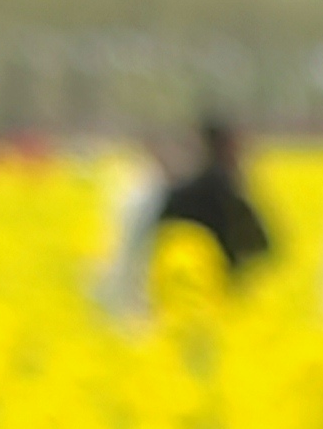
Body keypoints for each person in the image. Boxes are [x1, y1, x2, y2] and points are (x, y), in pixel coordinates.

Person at [101, 117, 275, 315]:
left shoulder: (174, 192)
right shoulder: (225, 189)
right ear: (227, 147)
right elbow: (264, 245)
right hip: (211, 301)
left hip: (172, 301)